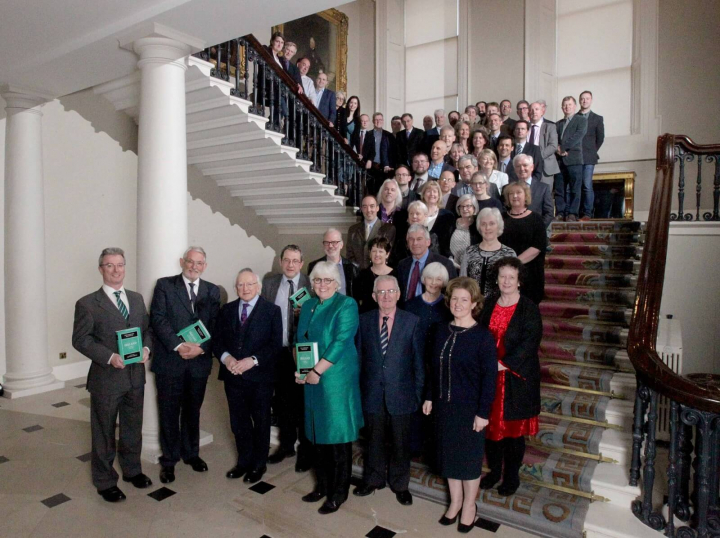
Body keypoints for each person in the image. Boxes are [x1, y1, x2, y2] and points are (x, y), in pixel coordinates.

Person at [72, 248, 152, 502]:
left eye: (120, 265)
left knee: (132, 427)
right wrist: (109, 357)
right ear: (101, 269)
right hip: (106, 378)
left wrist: (147, 348)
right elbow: (80, 339)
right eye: (110, 265)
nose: (116, 270)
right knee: (104, 432)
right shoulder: (87, 303)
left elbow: (147, 330)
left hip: (135, 377)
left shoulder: (137, 299)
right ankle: (105, 480)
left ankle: (132, 470)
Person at [423, 277, 496, 532]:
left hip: (470, 410)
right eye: (454, 298)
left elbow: (490, 379)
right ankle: (454, 502)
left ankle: (469, 506)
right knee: (449, 457)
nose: (458, 303)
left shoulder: (483, 337)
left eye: (464, 299)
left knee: (468, 460)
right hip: (444, 406)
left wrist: (483, 413)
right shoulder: (441, 330)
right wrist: (430, 396)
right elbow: (433, 368)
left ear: (474, 303)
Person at [295, 262, 363, 515]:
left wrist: (315, 372)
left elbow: (340, 342)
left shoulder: (346, 304)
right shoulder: (309, 305)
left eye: (327, 280)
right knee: (315, 436)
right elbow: (299, 340)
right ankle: (322, 485)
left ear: (337, 283)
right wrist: (301, 371)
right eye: (317, 280)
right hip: (311, 379)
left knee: (337, 439)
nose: (322, 285)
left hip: (335, 381)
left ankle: (339, 492)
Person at [150, 246, 221, 484]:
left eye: (199, 263)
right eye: (190, 262)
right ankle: (169, 460)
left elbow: (215, 325)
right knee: (169, 412)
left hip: (199, 363)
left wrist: (201, 348)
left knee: (193, 410)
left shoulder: (212, 291)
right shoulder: (165, 285)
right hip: (170, 361)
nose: (194, 266)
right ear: (182, 262)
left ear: (205, 266)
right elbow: (158, 319)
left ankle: (192, 454)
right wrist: (180, 346)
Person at [353, 275, 424, 505]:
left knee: (401, 443)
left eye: (390, 291)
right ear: (374, 296)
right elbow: (359, 360)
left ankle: (400, 484)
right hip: (371, 393)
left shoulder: (412, 321)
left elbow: (418, 363)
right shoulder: (363, 321)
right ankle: (373, 480)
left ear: (398, 294)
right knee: (373, 441)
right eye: (381, 293)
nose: (386, 296)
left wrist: (418, 396)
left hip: (402, 395)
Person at [479, 257, 542, 496]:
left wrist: (502, 364)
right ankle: (494, 472)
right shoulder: (489, 302)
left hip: (516, 378)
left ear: (519, 282)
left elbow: (530, 344)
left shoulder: (529, 308)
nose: (506, 281)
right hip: (489, 377)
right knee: (491, 429)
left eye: (511, 277)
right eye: (502, 276)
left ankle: (511, 477)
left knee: (513, 434)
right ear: (497, 279)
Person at [214, 269, 283, 484]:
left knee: (261, 421)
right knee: (238, 422)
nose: (244, 289)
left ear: (258, 286)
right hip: (232, 377)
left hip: (260, 378)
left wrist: (251, 361)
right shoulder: (226, 310)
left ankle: (258, 464)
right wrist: (227, 359)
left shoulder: (272, 311)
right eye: (240, 285)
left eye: (249, 284)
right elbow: (217, 341)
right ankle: (243, 461)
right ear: (236, 287)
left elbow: (275, 345)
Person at [262, 245, 313, 471]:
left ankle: (306, 451)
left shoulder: (311, 285)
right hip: (279, 352)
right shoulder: (269, 284)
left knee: (303, 402)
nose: (290, 264)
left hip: (303, 352)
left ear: (301, 263)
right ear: (281, 261)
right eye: (287, 260)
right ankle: (286, 445)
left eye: (295, 260)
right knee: (283, 402)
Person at [501, 183, 547, 304]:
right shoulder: (500, 218)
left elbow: (537, 247)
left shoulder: (536, 219)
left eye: (518, 193)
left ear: (525, 196)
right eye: (511, 194)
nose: (515, 196)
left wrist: (513, 263)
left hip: (530, 274)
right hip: (504, 274)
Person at [396, 224, 457, 305]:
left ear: (428, 242)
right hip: (406, 312)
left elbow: (453, 292)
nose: (415, 243)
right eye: (411, 239)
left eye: (419, 239)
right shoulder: (402, 265)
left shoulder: (445, 264)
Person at [462, 208, 516, 295]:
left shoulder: (509, 254)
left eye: (492, 223)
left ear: (498, 225)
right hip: (473, 305)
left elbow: (513, 286)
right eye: (483, 224)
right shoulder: (469, 252)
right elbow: (462, 282)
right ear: (479, 227)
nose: (487, 228)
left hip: (499, 305)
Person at [554, 96, 588, 222]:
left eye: (569, 104)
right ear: (562, 107)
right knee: (559, 189)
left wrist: (562, 148)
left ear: (574, 106)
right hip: (559, 160)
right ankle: (560, 213)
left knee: (575, 188)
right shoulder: (558, 124)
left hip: (574, 159)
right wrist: (558, 150)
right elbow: (554, 140)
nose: (567, 107)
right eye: (565, 105)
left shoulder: (581, 120)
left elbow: (578, 136)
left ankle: (573, 213)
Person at [404, 262, 453, 343]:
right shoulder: (410, 305)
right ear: (424, 279)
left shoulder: (449, 305)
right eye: (430, 278)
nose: (433, 282)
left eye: (438, 279)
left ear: (444, 281)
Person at [346, 195, 396, 269]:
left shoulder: (388, 229)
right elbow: (350, 255)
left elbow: (388, 254)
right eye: (365, 207)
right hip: (358, 275)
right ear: (362, 209)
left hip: (379, 274)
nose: (368, 210)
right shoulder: (353, 230)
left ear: (377, 208)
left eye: (372, 206)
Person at [308, 228, 359, 297]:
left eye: (334, 242)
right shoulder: (314, 266)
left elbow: (356, 295)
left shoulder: (353, 267)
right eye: (326, 243)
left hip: (346, 307)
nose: (330, 246)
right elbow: (311, 292)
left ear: (341, 245)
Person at [578, 91, 605, 220]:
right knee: (574, 186)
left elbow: (600, 138)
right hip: (574, 157)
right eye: (582, 99)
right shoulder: (574, 117)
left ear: (591, 100)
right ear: (579, 101)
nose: (584, 101)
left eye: (587, 99)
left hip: (589, 157)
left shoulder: (597, 118)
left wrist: (591, 150)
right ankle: (575, 212)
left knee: (587, 185)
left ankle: (587, 213)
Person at [508, 153, 554, 229]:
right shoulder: (508, 188)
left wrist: (537, 228)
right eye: (518, 166)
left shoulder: (543, 188)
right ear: (514, 169)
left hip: (537, 233)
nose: (522, 169)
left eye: (525, 165)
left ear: (532, 167)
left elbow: (549, 213)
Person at [353, 237, 396, 314]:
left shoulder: (396, 275)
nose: (377, 254)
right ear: (369, 253)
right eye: (374, 251)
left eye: (380, 251)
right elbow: (356, 298)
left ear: (387, 254)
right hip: (367, 318)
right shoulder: (362, 275)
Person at [361, 112, 398, 193]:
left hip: (385, 168)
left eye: (380, 119)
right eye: (376, 120)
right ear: (373, 121)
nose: (378, 121)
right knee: (371, 190)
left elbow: (392, 153)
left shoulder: (389, 135)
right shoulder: (368, 134)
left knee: (383, 191)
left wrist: (389, 165)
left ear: (383, 121)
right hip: (371, 167)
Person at [420, 180, 455, 256]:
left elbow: (449, 240)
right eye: (429, 191)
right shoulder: (417, 213)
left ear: (439, 195)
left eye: (435, 191)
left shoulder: (448, 216)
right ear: (423, 194)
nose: (432, 194)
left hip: (440, 257)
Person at [528, 101, 559, 186]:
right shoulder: (525, 127)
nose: (534, 112)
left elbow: (553, 146)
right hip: (527, 166)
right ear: (528, 112)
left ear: (542, 112)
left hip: (545, 165)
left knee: (545, 194)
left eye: (537, 109)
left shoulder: (550, 127)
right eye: (531, 110)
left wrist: (538, 157)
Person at [448, 194, 478, 269]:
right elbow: (445, 245)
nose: (464, 209)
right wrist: (451, 260)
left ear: (474, 208)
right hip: (452, 265)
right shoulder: (452, 223)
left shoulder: (478, 225)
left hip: (472, 266)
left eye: (468, 206)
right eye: (462, 206)